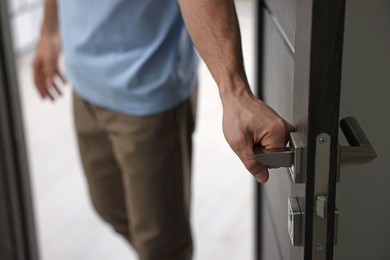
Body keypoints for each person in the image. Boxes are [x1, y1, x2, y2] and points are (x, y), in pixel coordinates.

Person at [33, 0, 294, 259]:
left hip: (148, 88)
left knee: (162, 244)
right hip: (84, 82)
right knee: (108, 207)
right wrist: (49, 31)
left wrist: (234, 91)